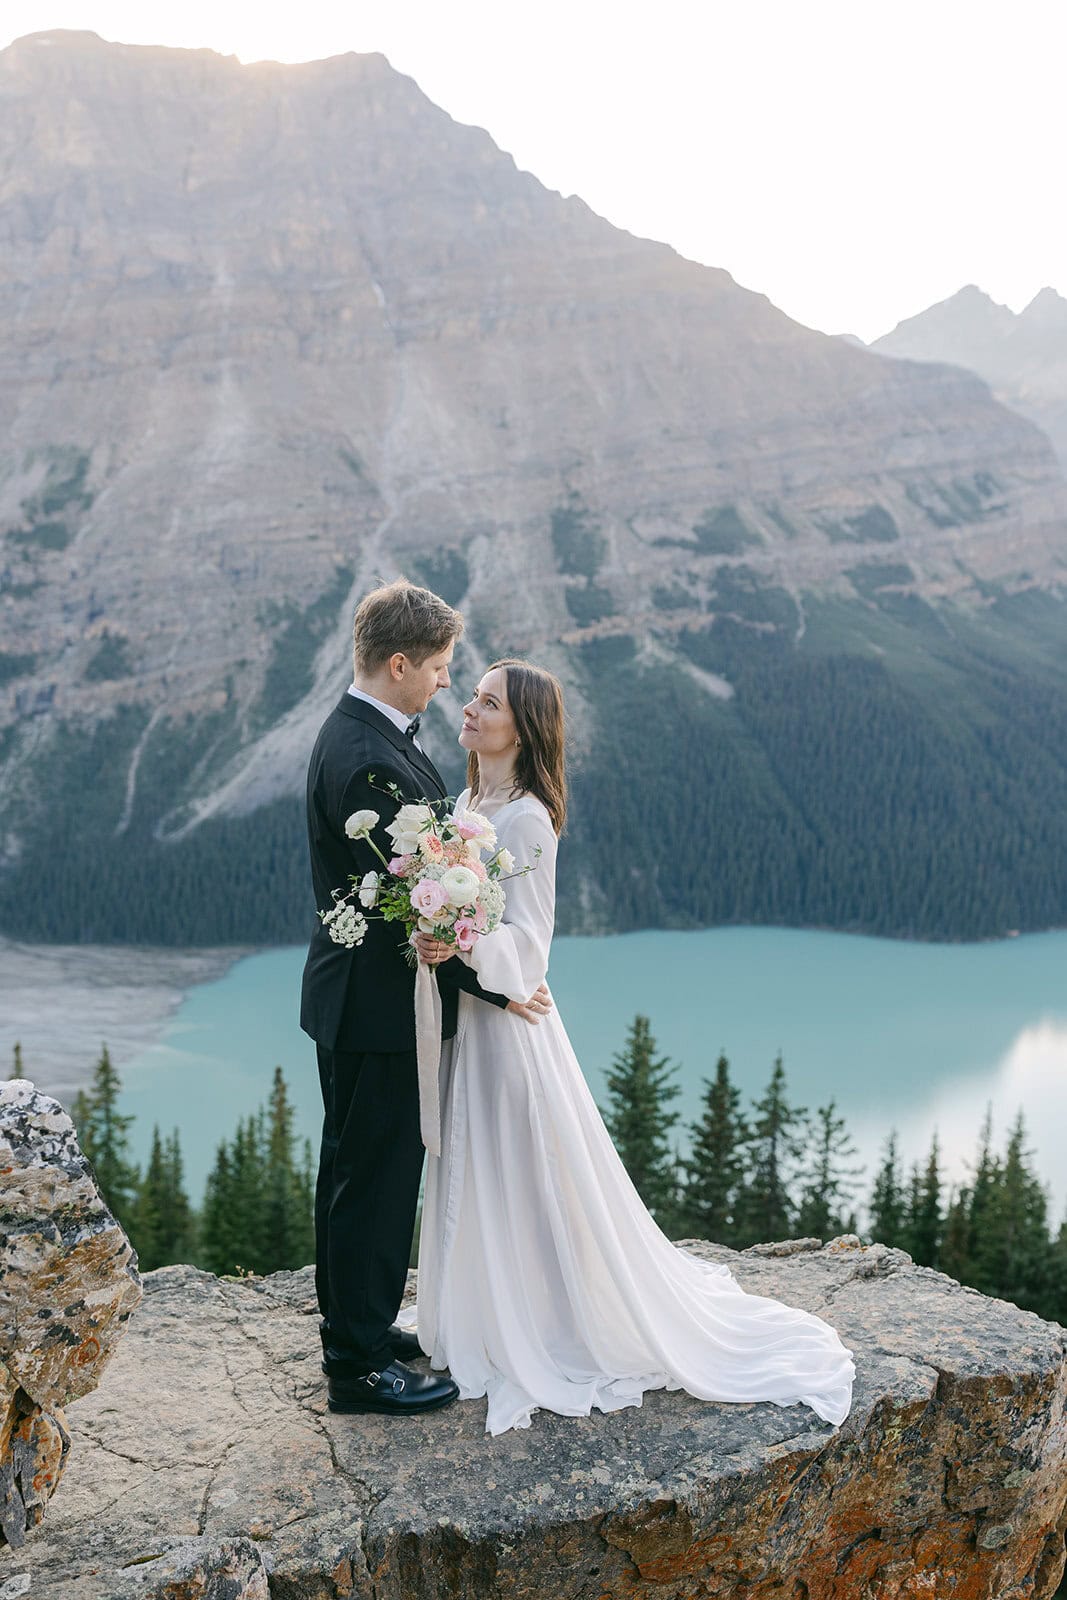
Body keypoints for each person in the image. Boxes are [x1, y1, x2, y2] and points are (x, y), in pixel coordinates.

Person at [403, 657, 857, 1436]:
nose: (470, 710)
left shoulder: (525, 819)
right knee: (482, 1165)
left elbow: (531, 943)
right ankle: (479, 1308)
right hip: (472, 1018)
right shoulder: (472, 800)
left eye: (488, 703)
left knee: (513, 1167)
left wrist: (460, 941)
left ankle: (536, 1320)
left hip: (505, 1028)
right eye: (472, 696)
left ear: (524, 727)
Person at [299, 580, 554, 1417]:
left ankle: (359, 1328)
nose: (448, 684)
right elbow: (409, 904)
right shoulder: (368, 754)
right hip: (376, 1009)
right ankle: (359, 1366)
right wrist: (491, 984)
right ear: (400, 663)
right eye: (441, 668)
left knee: (352, 1172)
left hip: (357, 1001)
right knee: (373, 1179)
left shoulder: (368, 735)